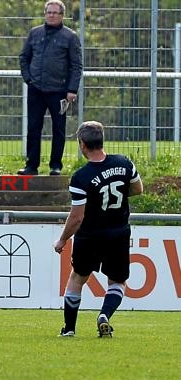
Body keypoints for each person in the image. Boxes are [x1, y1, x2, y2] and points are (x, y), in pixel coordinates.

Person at [54, 121, 143, 338]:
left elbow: (76, 217)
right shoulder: (124, 164)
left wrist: (62, 240)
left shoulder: (81, 177)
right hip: (119, 233)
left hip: (90, 235)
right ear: (102, 140)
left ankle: (69, 329)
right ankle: (104, 314)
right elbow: (138, 189)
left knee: (77, 278)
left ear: (82, 144)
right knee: (118, 281)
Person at [18, 0, 82, 176]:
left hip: (59, 91)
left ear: (62, 15)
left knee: (59, 129)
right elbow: (24, 57)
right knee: (33, 128)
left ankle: (56, 166)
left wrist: (72, 89)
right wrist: (28, 79)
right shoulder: (34, 33)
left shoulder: (70, 37)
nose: (52, 15)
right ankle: (31, 166)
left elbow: (76, 65)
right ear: (45, 13)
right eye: (49, 12)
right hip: (36, 89)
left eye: (55, 12)